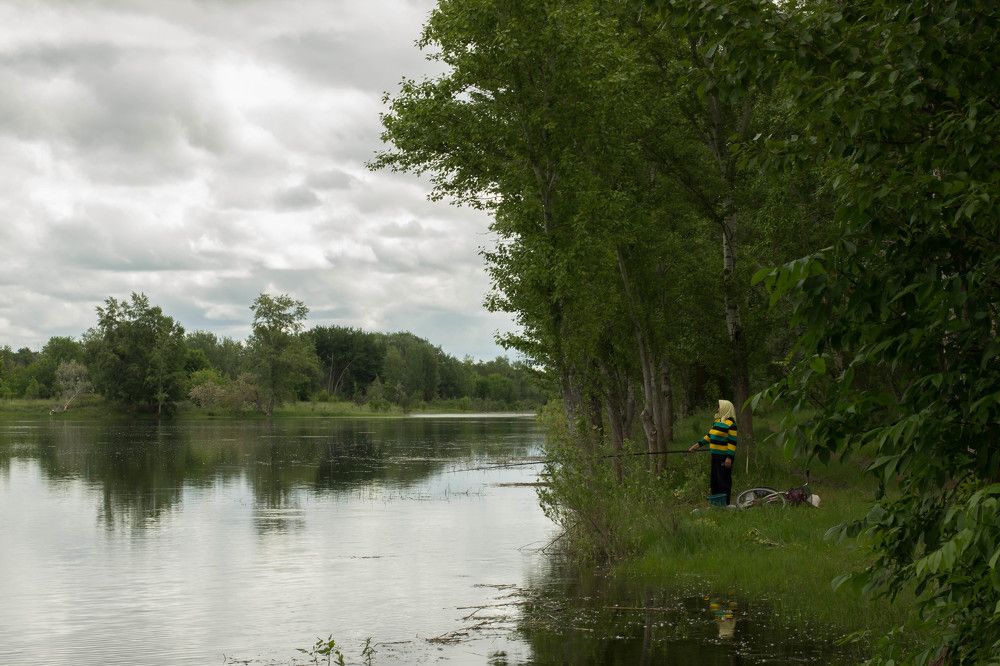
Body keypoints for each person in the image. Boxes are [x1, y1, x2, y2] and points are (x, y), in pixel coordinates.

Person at [688, 399, 737, 505]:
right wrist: (696, 446)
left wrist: (729, 457)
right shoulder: (717, 421)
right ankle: (716, 504)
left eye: (719, 406)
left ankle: (725, 503)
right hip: (715, 456)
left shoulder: (731, 424)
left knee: (723, 480)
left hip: (724, 457)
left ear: (725, 408)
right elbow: (709, 436)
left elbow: (732, 442)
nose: (717, 408)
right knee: (714, 480)